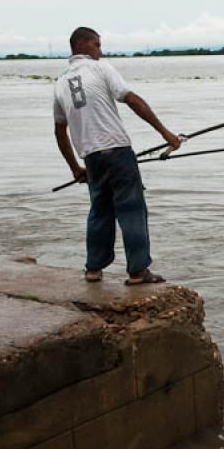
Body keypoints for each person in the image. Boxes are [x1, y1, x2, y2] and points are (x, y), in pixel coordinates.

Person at [53, 27, 181, 285]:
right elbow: (132, 99)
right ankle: (137, 272)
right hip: (117, 151)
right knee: (132, 209)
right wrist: (167, 134)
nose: (101, 51)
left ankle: (93, 269)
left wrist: (75, 168)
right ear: (83, 46)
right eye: (97, 45)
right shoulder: (101, 69)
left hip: (91, 157)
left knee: (99, 211)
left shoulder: (61, 83)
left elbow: (59, 130)